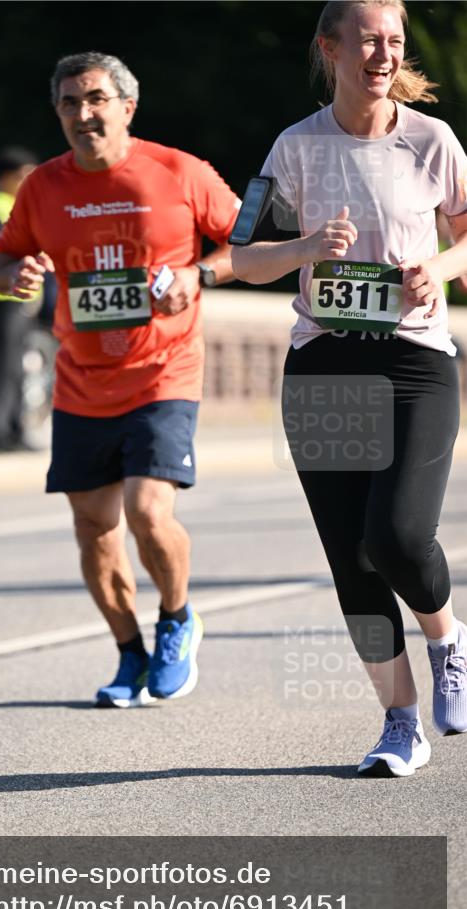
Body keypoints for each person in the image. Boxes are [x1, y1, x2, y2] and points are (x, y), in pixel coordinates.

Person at [233, 0, 467, 776]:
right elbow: (242, 257)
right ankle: (398, 725)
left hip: (413, 362)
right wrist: (302, 244)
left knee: (396, 538)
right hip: (324, 363)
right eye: (368, 38)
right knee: (350, 558)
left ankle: (447, 638)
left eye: (393, 40)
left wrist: (436, 267)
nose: (383, 52)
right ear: (329, 47)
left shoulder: (431, 141)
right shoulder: (294, 146)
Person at [0, 51, 239, 707]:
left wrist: (200, 274)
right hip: (80, 380)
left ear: (127, 106)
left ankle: (179, 619)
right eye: (69, 103)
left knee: (147, 511)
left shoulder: (177, 171)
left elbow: (249, 240)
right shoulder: (42, 186)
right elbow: (1, 258)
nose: (82, 114)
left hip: (164, 370)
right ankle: (129, 654)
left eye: (95, 98)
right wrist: (11, 277)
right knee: (93, 529)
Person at [0, 146, 44, 453]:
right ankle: (0, 433)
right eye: (22, 176)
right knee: (4, 370)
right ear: (5, 178)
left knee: (16, 369)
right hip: (2, 302)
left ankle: (14, 430)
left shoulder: (15, 206)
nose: (28, 182)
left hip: (17, 302)